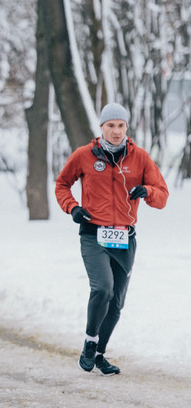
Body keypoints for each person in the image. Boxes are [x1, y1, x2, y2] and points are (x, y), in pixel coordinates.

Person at [55, 103, 168, 375]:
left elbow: (162, 196)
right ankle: (90, 341)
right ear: (101, 128)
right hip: (94, 235)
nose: (116, 131)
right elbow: (62, 184)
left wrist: (146, 191)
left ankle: (100, 354)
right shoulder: (84, 155)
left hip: (124, 239)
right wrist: (73, 207)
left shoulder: (139, 157)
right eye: (110, 126)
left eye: (121, 126)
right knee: (102, 288)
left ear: (126, 128)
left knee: (116, 303)